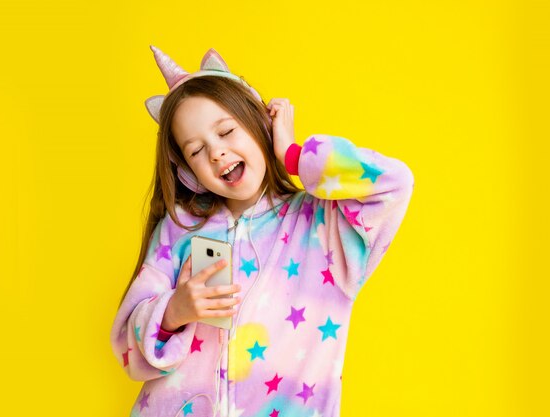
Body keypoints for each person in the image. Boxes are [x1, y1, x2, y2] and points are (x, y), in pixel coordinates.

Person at [110, 45, 414, 417]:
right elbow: (127, 344)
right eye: (196, 150)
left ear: (259, 125)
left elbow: (394, 183)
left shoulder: (323, 225)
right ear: (188, 174)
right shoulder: (180, 230)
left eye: (226, 132)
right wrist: (173, 312)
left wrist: (292, 154)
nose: (217, 153)